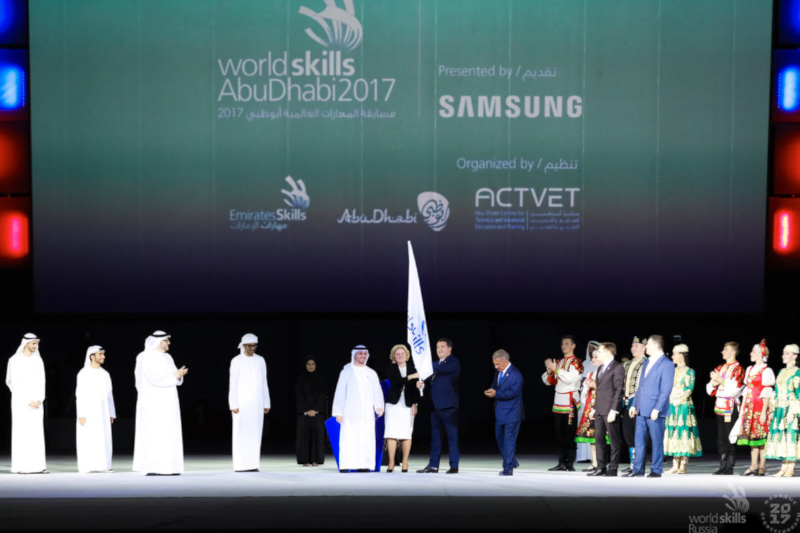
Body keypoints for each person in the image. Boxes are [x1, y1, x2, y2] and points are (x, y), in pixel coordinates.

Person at [134, 331, 187, 476]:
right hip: (153, 402)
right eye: (166, 340)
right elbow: (153, 379)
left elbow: (174, 377)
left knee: (169, 432)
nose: (169, 343)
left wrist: (179, 376)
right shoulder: (145, 357)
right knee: (155, 433)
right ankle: (153, 468)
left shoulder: (168, 357)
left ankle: (170, 468)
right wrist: (175, 376)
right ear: (158, 342)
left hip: (169, 401)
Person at [624, 335, 674, 478]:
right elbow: (640, 386)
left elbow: (666, 389)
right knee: (639, 441)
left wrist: (657, 408)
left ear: (657, 345)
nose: (646, 347)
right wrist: (634, 405)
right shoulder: (646, 362)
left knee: (656, 441)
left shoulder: (667, 364)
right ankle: (638, 470)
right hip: (641, 407)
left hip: (655, 409)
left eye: (649, 345)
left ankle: (656, 469)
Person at [332, 345, 384, 472]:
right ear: (354, 355)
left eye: (365, 354)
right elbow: (340, 392)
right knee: (349, 438)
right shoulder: (346, 371)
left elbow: (377, 392)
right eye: (360, 353)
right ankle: (346, 465)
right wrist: (338, 411)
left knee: (366, 439)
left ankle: (364, 465)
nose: (363, 356)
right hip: (349, 413)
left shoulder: (371, 373)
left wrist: (378, 406)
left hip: (366, 414)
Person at [417, 339, 461, 474]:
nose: (439, 349)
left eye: (442, 347)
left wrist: (426, 364)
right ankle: (433, 465)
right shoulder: (435, 365)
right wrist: (422, 385)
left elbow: (443, 369)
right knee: (435, 438)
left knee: (452, 437)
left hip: (448, 407)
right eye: (437, 347)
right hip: (435, 407)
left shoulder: (453, 362)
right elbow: (430, 382)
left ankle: (454, 465)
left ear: (449, 349)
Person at [5, 333, 47, 474]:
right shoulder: (14, 361)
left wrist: (39, 399)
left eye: (36, 343)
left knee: (36, 434)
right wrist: (27, 400)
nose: (35, 346)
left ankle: (39, 466)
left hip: (37, 403)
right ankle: (21, 466)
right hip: (21, 403)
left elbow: (42, 382)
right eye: (33, 343)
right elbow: (11, 382)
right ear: (26, 343)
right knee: (22, 434)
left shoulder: (38, 361)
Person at [229, 333, 271, 472]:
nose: (252, 348)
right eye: (249, 345)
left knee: (255, 433)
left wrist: (266, 402)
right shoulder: (236, 361)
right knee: (241, 433)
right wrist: (233, 403)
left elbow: (264, 382)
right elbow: (233, 384)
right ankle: (240, 465)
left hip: (257, 403)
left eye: (254, 345)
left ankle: (253, 464)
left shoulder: (260, 360)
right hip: (241, 404)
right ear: (243, 345)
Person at [542, 335, 583, 472]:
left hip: (570, 402)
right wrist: (550, 372)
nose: (563, 346)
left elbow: (570, 379)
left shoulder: (576, 362)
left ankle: (570, 462)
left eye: (566, 343)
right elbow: (552, 382)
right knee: (559, 434)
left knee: (570, 434)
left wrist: (556, 370)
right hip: (558, 401)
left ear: (573, 346)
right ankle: (561, 462)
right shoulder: (559, 362)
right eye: (562, 344)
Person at [736, 340, 774, 476]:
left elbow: (767, 393)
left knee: (761, 437)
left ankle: (762, 466)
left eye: (753, 351)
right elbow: (747, 391)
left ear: (760, 354)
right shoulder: (749, 369)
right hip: (749, 407)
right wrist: (742, 409)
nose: (751, 354)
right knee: (753, 438)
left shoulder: (767, 370)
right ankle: (753, 466)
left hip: (760, 406)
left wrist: (764, 412)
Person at [706, 342, 745, 475]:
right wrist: (715, 382)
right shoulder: (720, 367)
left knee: (730, 435)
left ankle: (730, 466)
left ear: (733, 352)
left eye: (725, 349)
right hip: (720, 405)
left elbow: (735, 389)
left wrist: (720, 380)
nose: (722, 352)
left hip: (731, 406)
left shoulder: (738, 368)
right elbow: (710, 388)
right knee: (721, 436)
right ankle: (722, 464)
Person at [76, 345, 116, 474]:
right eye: (100, 354)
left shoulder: (105, 374)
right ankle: (87, 466)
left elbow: (109, 395)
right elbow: (80, 395)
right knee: (88, 437)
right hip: (88, 412)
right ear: (92, 356)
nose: (103, 357)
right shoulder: (83, 373)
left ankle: (105, 465)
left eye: (103, 354)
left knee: (104, 437)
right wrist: (81, 414)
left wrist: (111, 413)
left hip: (103, 412)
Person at [663, 344, 702, 474]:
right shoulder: (671, 370)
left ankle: (683, 464)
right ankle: (675, 464)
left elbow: (689, 388)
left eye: (674, 354)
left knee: (683, 431)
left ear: (681, 355)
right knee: (673, 431)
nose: (672, 356)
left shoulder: (689, 371)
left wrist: (677, 400)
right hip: (671, 405)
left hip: (683, 405)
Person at [484, 349, 523, 476]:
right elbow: (495, 384)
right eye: (494, 364)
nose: (496, 367)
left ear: (506, 362)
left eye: (498, 364)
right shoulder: (498, 372)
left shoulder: (515, 374)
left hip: (512, 412)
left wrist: (496, 394)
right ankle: (512, 461)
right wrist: (492, 390)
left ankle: (508, 468)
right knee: (500, 438)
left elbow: (514, 392)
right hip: (500, 412)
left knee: (509, 440)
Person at [590, 342, 625, 477]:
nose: (597, 353)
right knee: (599, 439)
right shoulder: (600, 368)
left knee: (613, 439)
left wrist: (614, 410)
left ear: (608, 352)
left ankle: (613, 467)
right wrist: (594, 408)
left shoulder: (617, 367)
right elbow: (600, 390)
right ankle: (600, 467)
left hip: (610, 409)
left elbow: (618, 390)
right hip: (600, 408)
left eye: (599, 351)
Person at [765, 344, 800, 477]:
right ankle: (783, 467)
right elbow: (776, 391)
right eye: (783, 353)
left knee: (791, 434)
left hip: (790, 407)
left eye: (787, 353)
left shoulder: (797, 371)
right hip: (779, 407)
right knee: (781, 436)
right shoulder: (781, 371)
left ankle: (791, 467)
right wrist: (772, 410)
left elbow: (798, 393)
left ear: (795, 356)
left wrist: (793, 411)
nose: (783, 355)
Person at [383, 344, 419, 472]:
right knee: (391, 433)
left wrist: (415, 403)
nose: (400, 356)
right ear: (394, 356)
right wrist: (412, 376)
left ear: (406, 355)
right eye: (397, 354)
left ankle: (405, 462)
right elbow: (397, 381)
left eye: (402, 354)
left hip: (407, 405)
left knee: (406, 433)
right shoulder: (390, 368)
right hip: (393, 404)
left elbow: (415, 389)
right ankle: (391, 462)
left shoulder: (412, 368)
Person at [621, 337, 647, 473]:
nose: (633, 349)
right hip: (625, 403)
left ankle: (638, 464)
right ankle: (633, 463)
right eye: (632, 346)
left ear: (644, 348)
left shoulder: (646, 363)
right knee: (628, 435)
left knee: (639, 435)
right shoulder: (626, 364)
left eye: (636, 346)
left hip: (638, 403)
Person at [295, 356, 326, 466]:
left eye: (313, 364)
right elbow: (299, 396)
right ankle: (305, 460)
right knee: (304, 436)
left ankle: (316, 459)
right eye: (308, 364)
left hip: (317, 413)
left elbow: (322, 395)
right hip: (304, 413)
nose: (311, 366)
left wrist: (315, 410)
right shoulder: (300, 379)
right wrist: (307, 410)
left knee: (317, 436)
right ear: (305, 365)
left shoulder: (321, 379)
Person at [575, 346, 600, 472]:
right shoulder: (590, 373)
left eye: (596, 357)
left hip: (601, 406)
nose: (593, 359)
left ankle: (601, 463)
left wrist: (595, 386)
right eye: (592, 357)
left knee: (601, 436)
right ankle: (594, 462)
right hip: (590, 407)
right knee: (591, 435)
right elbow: (584, 394)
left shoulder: (605, 373)